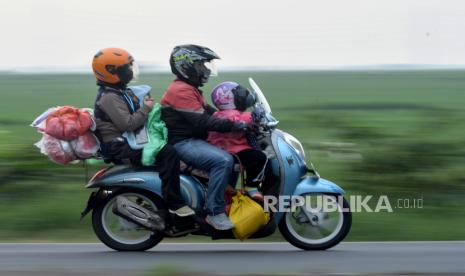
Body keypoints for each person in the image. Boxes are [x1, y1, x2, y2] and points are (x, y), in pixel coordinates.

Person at [92, 47, 195, 217]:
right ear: (110, 71)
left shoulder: (119, 92)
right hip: (119, 147)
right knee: (167, 153)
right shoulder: (109, 97)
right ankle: (174, 203)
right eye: (126, 68)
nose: (130, 71)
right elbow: (128, 124)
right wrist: (146, 109)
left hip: (128, 141)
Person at [160, 44, 247, 230]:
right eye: (202, 64)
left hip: (194, 140)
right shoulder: (180, 91)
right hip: (183, 143)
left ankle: (223, 200)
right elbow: (204, 122)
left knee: (236, 156)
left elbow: (212, 114)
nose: (206, 69)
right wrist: (236, 126)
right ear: (187, 66)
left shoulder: (190, 88)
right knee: (223, 161)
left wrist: (243, 119)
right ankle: (214, 212)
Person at [207, 81, 268, 190]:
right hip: (232, 151)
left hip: (230, 148)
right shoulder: (230, 115)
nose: (243, 97)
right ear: (227, 99)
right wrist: (257, 118)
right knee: (259, 157)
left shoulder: (219, 113)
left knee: (262, 149)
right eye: (239, 95)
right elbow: (244, 119)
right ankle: (253, 185)